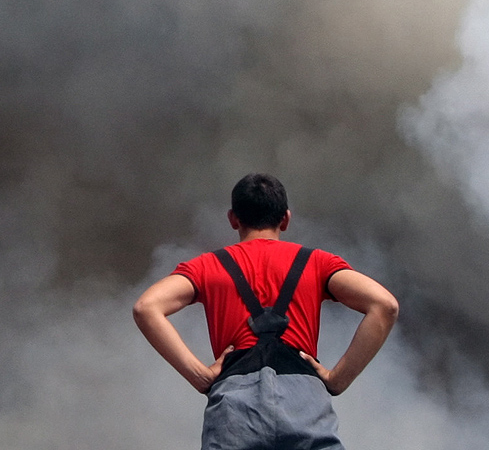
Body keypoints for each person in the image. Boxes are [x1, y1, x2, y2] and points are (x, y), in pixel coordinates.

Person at [133, 173, 399, 450]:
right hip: (304, 404)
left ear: (233, 219)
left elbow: (146, 307)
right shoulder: (317, 262)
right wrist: (337, 379)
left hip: (235, 409)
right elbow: (384, 305)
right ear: (285, 218)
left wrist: (199, 376)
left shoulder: (207, 266)